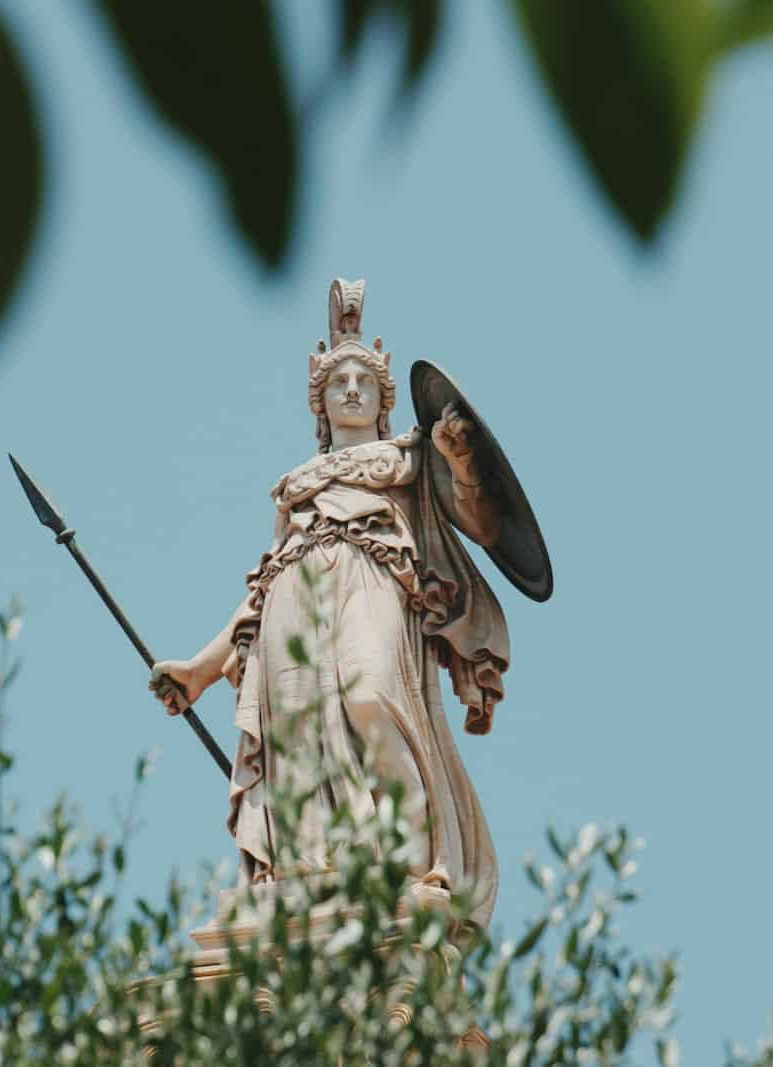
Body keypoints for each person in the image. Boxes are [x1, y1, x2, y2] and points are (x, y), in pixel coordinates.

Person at [151, 279, 510, 928]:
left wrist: (461, 464)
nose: (350, 389)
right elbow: (262, 589)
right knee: (297, 727)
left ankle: (406, 864)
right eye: (338, 381)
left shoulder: (408, 459)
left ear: (382, 400)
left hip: (373, 579)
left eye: (363, 382)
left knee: (371, 697)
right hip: (296, 594)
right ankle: (310, 872)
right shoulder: (297, 487)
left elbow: (484, 525)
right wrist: (200, 670)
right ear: (320, 404)